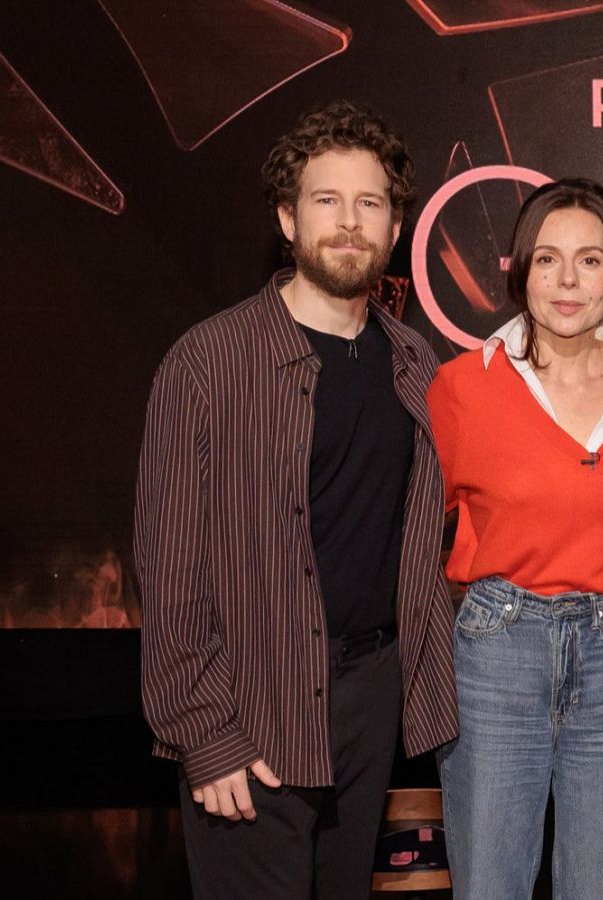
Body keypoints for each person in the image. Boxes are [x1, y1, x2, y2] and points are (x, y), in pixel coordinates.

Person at [134, 99, 457, 899]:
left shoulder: (415, 361)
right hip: (249, 702)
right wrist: (202, 733)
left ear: (394, 225)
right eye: (326, 200)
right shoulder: (208, 363)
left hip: (370, 703)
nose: (349, 223)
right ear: (287, 218)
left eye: (370, 203)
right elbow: (167, 567)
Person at [429, 178, 603, 900]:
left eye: (590, 260)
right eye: (547, 259)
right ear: (520, 273)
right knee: (490, 886)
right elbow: (407, 530)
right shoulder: (461, 388)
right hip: (498, 650)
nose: (568, 280)